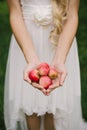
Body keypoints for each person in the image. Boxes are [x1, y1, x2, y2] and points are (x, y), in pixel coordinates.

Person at [4, 0, 87, 130]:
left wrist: (60, 59)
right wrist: (31, 59)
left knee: (54, 104)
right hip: (26, 39)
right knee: (29, 100)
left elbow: (72, 15)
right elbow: (15, 13)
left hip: (59, 40)